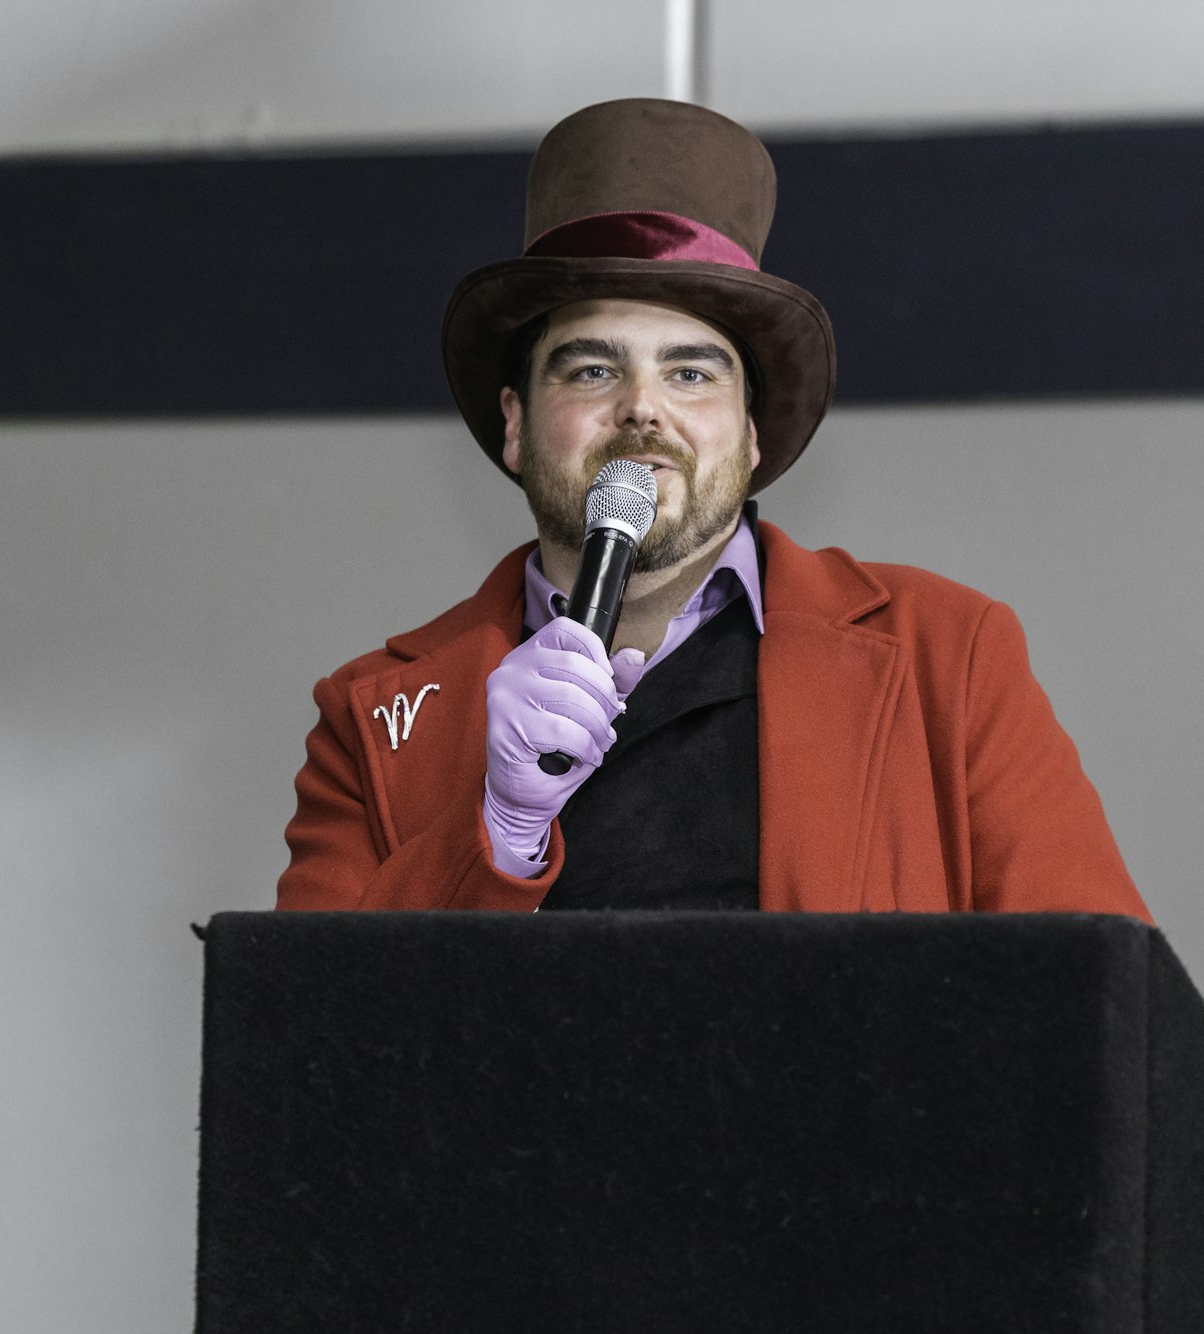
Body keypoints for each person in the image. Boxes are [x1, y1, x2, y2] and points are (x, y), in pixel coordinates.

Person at [277, 98, 1148, 920]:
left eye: (691, 372)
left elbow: (1104, 1009)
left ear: (750, 435)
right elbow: (302, 1047)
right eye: (591, 369)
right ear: (515, 426)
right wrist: (500, 831)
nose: (643, 409)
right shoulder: (370, 713)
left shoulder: (949, 656)